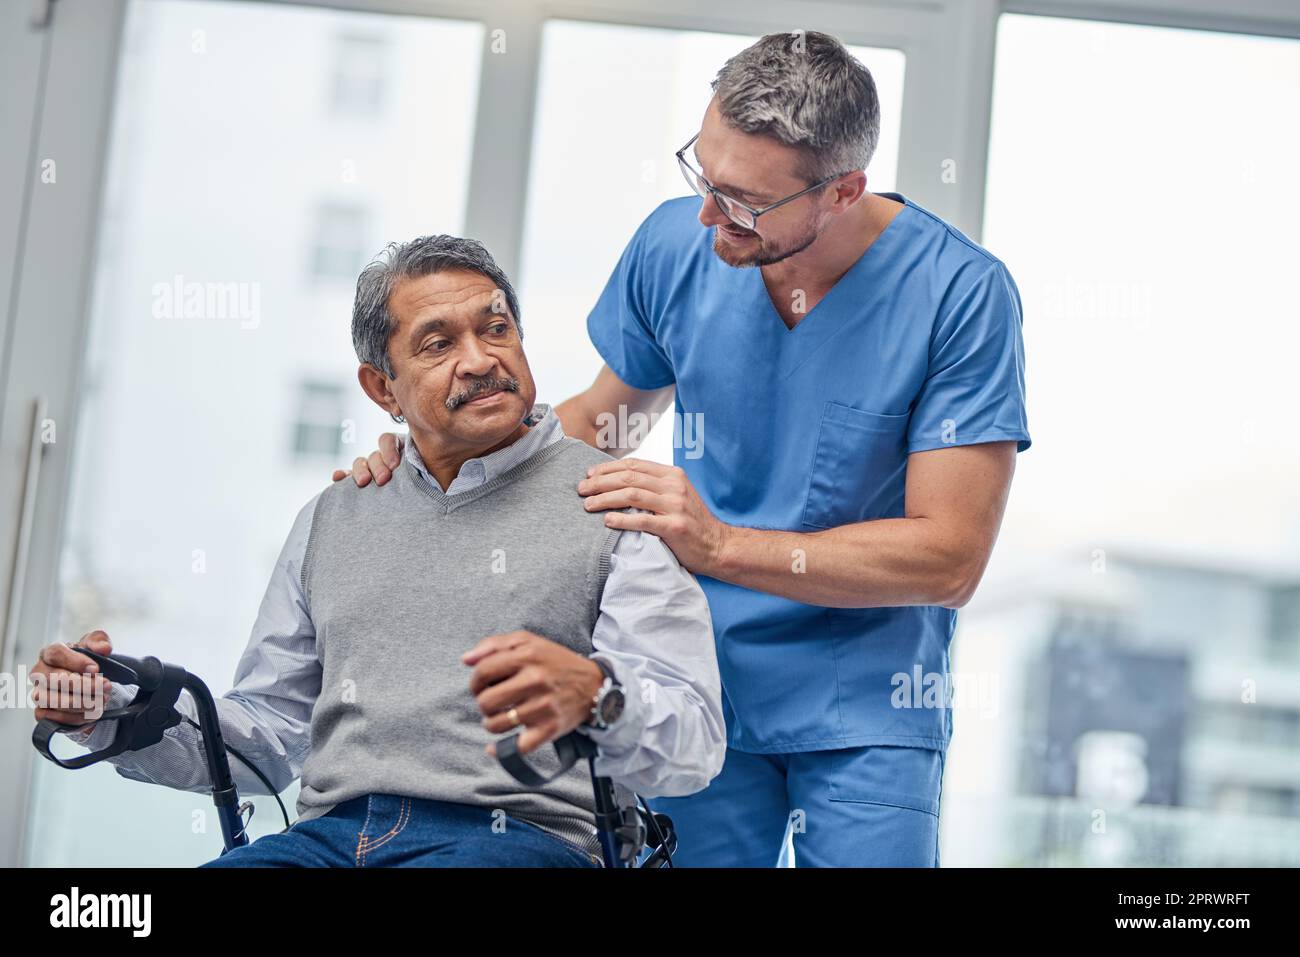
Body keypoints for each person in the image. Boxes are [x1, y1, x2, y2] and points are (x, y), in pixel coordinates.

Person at [342, 32, 1031, 867]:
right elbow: (603, 417)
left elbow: (950, 556)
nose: (708, 214)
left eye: (742, 200)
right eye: (702, 173)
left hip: (866, 706)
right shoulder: (678, 246)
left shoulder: (960, 296)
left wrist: (721, 544)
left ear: (843, 189)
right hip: (695, 687)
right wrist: (435, 458)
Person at [31, 235, 724, 867]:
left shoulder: (617, 504)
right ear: (381, 387)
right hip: (326, 841)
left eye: (496, 328)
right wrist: (114, 711)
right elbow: (266, 736)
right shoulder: (335, 515)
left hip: (520, 839)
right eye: (437, 344)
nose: (481, 359)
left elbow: (694, 744)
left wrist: (599, 696)